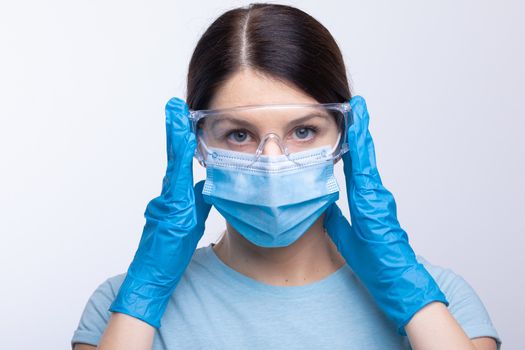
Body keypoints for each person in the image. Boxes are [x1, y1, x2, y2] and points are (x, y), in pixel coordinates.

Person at [71, 3, 501, 350]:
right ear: (196, 143)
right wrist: (145, 294)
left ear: (345, 139)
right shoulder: (120, 311)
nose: (272, 162)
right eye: (239, 134)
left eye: (303, 131)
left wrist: (415, 302)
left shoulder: (444, 304)